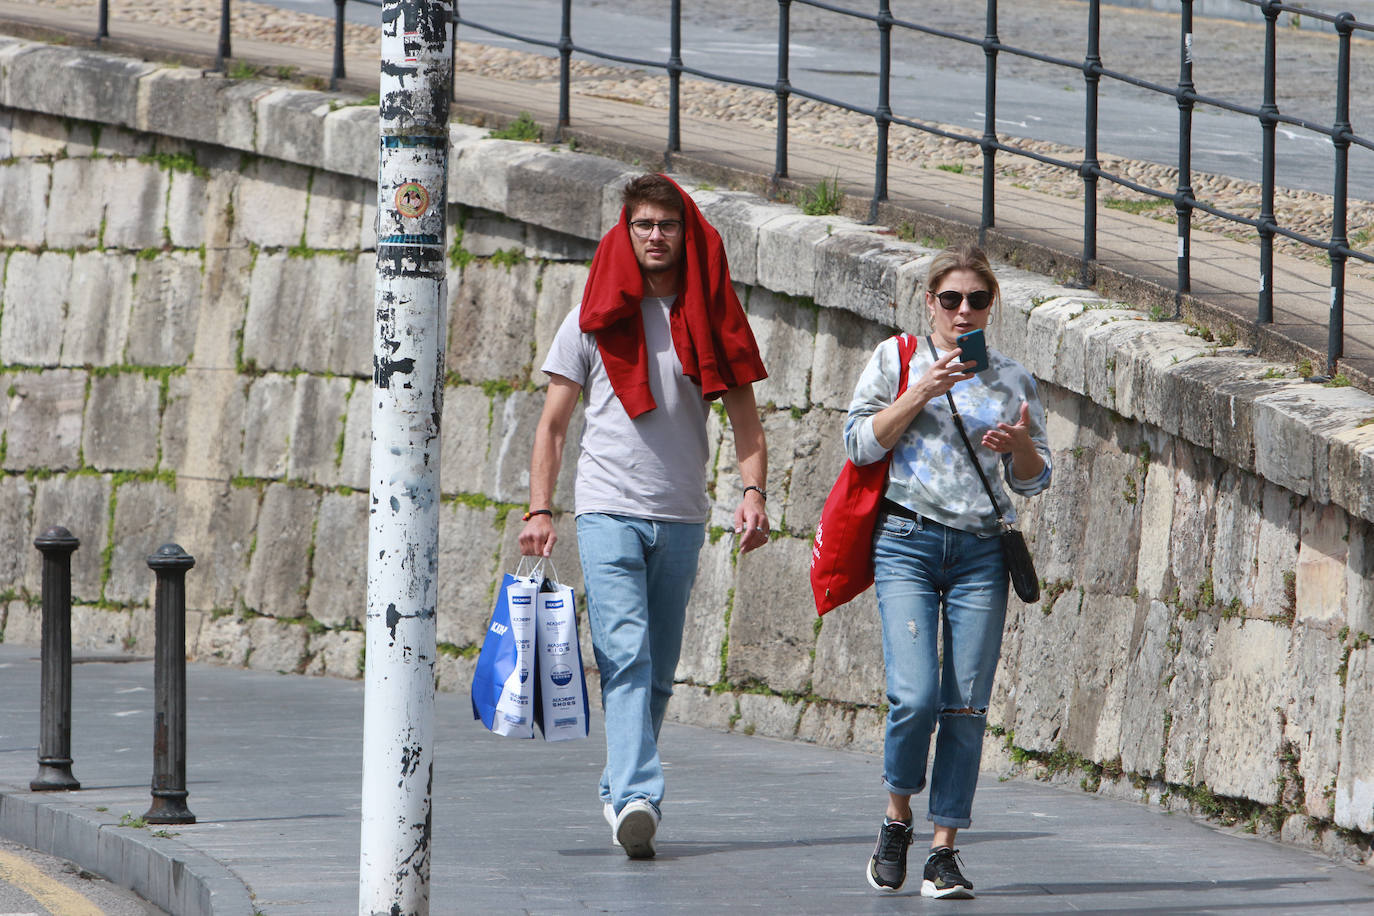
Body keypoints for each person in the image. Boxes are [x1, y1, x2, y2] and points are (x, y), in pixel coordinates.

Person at [518, 173, 770, 859]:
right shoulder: (593, 316)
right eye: (643, 226)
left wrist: (752, 493)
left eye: (667, 225)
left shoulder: (711, 314)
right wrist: (541, 508)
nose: (655, 236)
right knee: (625, 654)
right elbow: (552, 425)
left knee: (658, 672)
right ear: (625, 233)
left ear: (685, 234)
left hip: (682, 514)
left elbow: (746, 418)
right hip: (606, 509)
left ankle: (617, 788)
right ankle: (639, 796)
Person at [842, 244, 1051, 898]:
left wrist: (1019, 448)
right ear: (929, 302)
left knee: (964, 704)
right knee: (915, 696)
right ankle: (897, 815)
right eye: (951, 299)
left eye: (977, 300)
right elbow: (858, 441)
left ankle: (943, 851)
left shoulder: (1012, 379)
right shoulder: (896, 359)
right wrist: (918, 393)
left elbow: (1036, 479)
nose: (964, 311)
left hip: (981, 552)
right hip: (907, 538)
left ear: (992, 305)